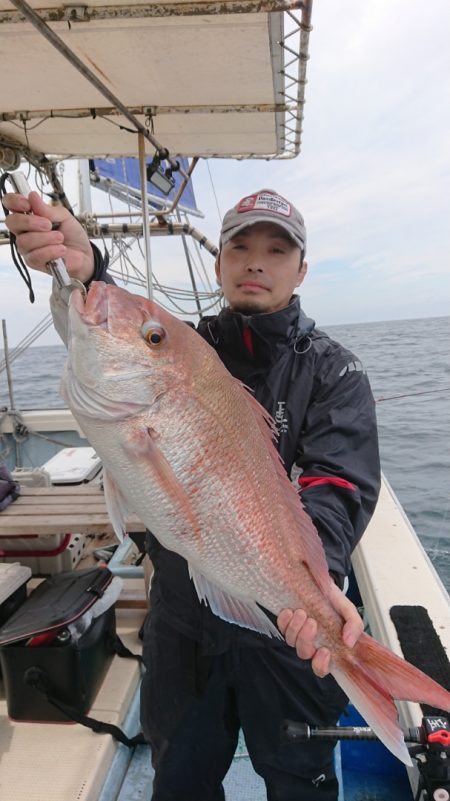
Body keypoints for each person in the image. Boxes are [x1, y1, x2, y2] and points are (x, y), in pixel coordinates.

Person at [4, 187, 380, 801]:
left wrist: (319, 581)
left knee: (299, 783)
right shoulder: (186, 344)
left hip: (284, 630)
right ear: (219, 262)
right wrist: (82, 268)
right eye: (240, 246)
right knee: (180, 777)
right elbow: (112, 334)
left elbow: (337, 484)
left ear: (301, 269)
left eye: (276, 249)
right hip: (183, 618)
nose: (256, 261)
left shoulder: (334, 370)